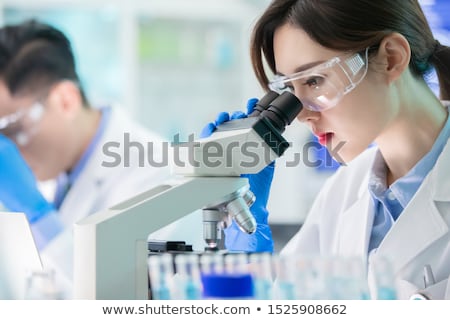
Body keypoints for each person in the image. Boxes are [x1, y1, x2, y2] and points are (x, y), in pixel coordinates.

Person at [204, 0, 450, 299]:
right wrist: (246, 231)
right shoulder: (344, 193)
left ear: (392, 58)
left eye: (315, 80)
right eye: (290, 91)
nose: (301, 115)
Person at [0, 19, 204, 298]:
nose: (7, 150)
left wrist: (38, 215)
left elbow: (117, 299)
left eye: (11, 129)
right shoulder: (59, 169)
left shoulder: (156, 171)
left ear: (65, 101)